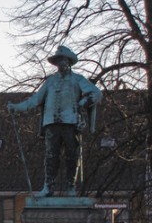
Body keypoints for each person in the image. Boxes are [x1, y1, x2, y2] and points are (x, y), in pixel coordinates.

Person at [7, 45, 102, 197]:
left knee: (72, 155)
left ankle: (70, 186)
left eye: (63, 60)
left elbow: (96, 93)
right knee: (51, 156)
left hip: (70, 123)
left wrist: (82, 103)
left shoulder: (77, 79)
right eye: (58, 60)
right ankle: (48, 186)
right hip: (51, 123)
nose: (61, 63)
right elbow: (35, 100)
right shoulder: (50, 81)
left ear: (69, 62)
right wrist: (16, 107)